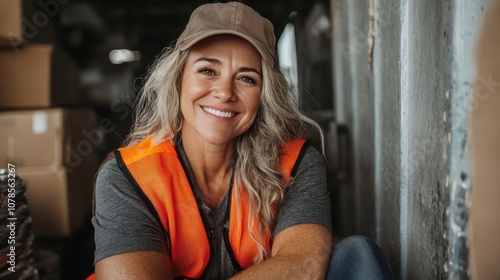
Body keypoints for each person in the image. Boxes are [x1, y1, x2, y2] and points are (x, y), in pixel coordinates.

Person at [90, 2, 395, 279]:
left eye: (246, 78)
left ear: (265, 95)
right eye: (207, 70)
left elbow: (303, 265)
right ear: (178, 78)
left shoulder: (296, 163)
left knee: (358, 257)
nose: (224, 92)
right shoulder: (127, 178)